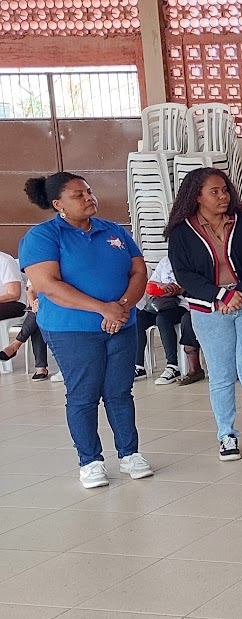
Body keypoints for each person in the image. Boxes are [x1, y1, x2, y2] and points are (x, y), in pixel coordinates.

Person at [18, 172, 153, 488]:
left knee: (119, 392)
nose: (89, 198)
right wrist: (103, 308)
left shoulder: (113, 230)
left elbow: (138, 271)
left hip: (121, 324)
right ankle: (90, 461)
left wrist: (121, 307)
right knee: (84, 394)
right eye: (78, 195)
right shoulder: (43, 236)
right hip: (72, 330)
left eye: (89, 191)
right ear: (58, 204)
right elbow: (48, 285)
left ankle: (130, 454)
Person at [166, 167, 242, 465]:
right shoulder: (181, 231)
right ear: (197, 196)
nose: (222, 196)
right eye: (214, 192)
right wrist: (221, 295)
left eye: (225, 190)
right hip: (209, 310)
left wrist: (240, 292)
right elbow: (185, 275)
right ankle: (227, 435)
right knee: (221, 374)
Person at [135, 257, 205, 386]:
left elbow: (200, 287)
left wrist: (179, 290)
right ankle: (139, 366)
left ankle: (173, 365)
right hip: (162, 303)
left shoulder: (193, 260)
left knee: (162, 319)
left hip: (183, 305)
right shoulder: (165, 261)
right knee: (139, 319)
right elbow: (150, 286)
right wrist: (162, 287)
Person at [0, 285, 51, 381]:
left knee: (39, 312)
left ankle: (16, 344)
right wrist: (33, 303)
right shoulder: (36, 275)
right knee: (37, 314)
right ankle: (40, 367)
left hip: (56, 304)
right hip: (40, 306)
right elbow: (31, 290)